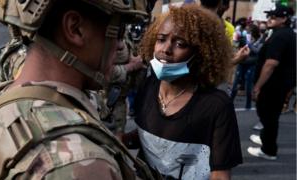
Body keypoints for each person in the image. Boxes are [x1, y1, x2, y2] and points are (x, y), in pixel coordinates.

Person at [0, 0, 155, 179]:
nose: (119, 46)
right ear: (75, 28)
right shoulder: (81, 162)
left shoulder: (1, 99)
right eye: (118, 31)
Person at [120, 4, 242, 180]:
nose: (166, 49)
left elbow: (220, 175)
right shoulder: (148, 86)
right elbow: (152, 136)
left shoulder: (216, 106)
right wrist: (120, 139)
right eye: (161, 39)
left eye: (180, 44)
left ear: (201, 53)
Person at [248, 3, 296, 160]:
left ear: (283, 19)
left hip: (273, 85)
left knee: (268, 116)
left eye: (274, 16)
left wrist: (257, 86)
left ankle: (268, 149)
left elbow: (271, 63)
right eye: (269, 16)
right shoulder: (287, 34)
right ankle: (265, 139)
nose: (269, 19)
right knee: (269, 116)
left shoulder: (280, 36)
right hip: (280, 84)